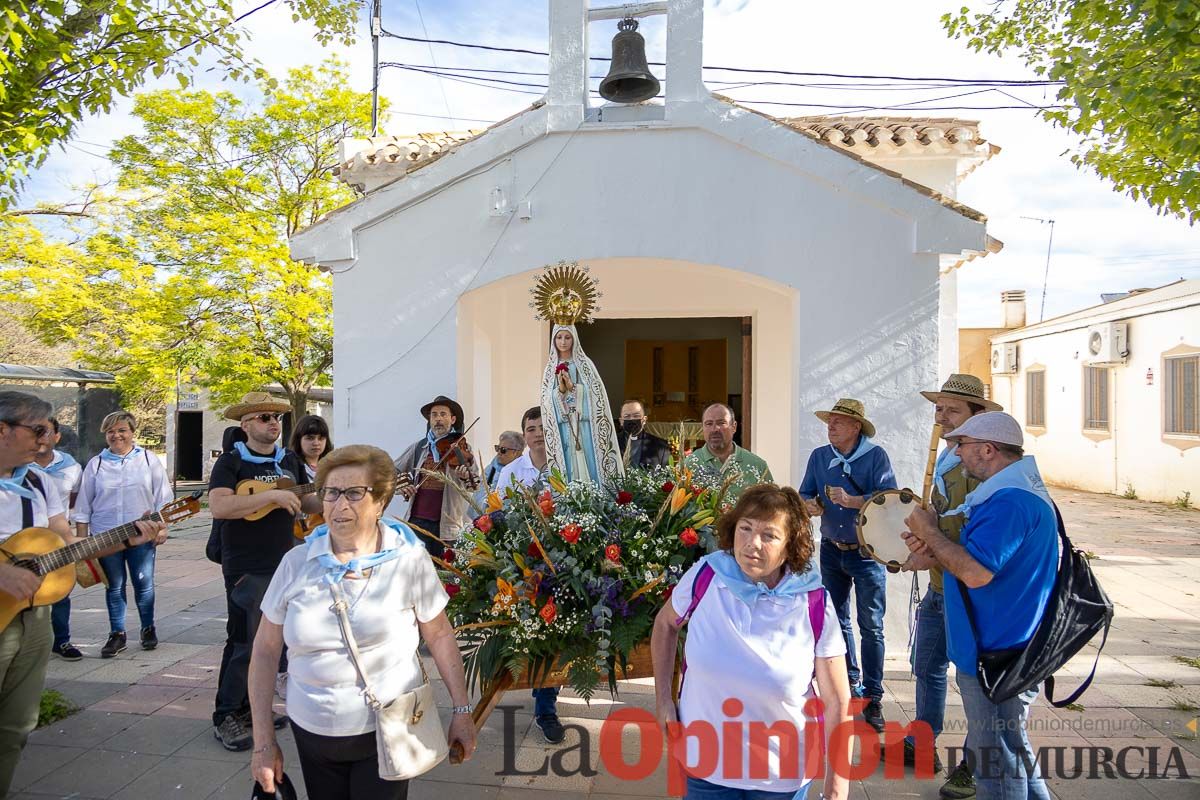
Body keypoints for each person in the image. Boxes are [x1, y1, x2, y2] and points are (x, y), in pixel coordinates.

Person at [248, 444, 476, 799]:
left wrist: (462, 710)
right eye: (331, 493)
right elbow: (264, 650)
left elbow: (441, 635)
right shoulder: (296, 563)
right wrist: (263, 741)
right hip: (312, 732)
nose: (340, 505)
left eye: (355, 493)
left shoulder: (409, 560)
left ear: (381, 502)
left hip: (387, 730)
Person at [0, 392, 165, 796]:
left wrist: (127, 538)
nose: (46, 439)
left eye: (48, 430)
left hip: (34, 617)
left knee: (16, 723)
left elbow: (66, 542)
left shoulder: (39, 481)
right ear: (2, 430)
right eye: (37, 429)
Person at [650, 484, 851, 800]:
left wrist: (837, 786)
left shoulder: (812, 602)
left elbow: (838, 701)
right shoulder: (707, 575)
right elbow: (665, 625)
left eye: (769, 535)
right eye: (745, 529)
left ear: (790, 545)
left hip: (780, 776)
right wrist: (663, 698)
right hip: (704, 765)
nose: (752, 543)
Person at [903, 412, 1057, 800]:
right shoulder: (1014, 492)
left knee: (996, 769)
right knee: (1013, 752)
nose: (956, 454)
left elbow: (977, 573)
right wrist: (933, 553)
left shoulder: (1009, 503)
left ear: (987, 450)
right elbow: (982, 562)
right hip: (1007, 646)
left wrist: (932, 535)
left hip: (997, 653)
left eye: (962, 446)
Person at [902, 375, 1000, 795]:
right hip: (940, 586)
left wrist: (932, 541)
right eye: (938, 409)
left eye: (952, 411)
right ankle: (921, 743)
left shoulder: (978, 468)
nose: (941, 418)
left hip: (968, 591)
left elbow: (972, 537)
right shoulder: (946, 458)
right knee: (927, 667)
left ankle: (973, 764)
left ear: (977, 418)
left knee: (974, 683)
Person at [208, 392, 321, 751]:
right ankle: (227, 714)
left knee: (274, 641)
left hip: (283, 561)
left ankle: (253, 709)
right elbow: (220, 505)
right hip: (245, 565)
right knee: (244, 640)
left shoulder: (289, 459)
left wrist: (339, 493)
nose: (273, 423)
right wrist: (271, 496)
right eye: (264, 417)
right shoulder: (231, 461)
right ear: (245, 425)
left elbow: (307, 500)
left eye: (277, 417)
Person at [797, 398, 895, 733]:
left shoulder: (875, 457)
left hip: (866, 552)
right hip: (831, 549)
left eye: (839, 422)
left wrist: (854, 502)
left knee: (872, 625)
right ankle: (850, 686)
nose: (831, 426)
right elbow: (804, 494)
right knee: (837, 622)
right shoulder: (820, 457)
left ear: (856, 427)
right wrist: (810, 505)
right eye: (830, 421)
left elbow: (888, 502)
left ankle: (875, 696)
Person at [74, 410, 173, 658]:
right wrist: (84, 542)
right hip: (106, 536)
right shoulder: (96, 464)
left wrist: (162, 527)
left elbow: (164, 497)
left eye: (122, 430)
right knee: (114, 586)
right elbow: (84, 506)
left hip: (141, 532)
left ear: (132, 432)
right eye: (111, 431)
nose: (116, 435)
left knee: (143, 583)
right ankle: (117, 634)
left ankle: (148, 628)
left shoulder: (148, 460)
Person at [491, 406, 565, 743]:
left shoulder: (565, 466)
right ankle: (540, 696)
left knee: (555, 626)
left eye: (541, 427)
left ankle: (546, 704)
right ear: (525, 435)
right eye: (530, 428)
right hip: (521, 561)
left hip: (560, 560)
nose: (536, 432)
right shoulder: (511, 471)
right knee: (531, 628)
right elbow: (499, 511)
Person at [393, 396, 480, 559]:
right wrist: (403, 485)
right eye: (434, 415)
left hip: (447, 527)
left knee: (446, 576)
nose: (438, 419)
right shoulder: (419, 447)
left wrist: (464, 477)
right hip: (417, 523)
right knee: (417, 573)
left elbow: (474, 485)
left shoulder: (462, 448)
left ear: (452, 419)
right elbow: (392, 470)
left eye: (443, 414)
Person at [540, 325, 623, 486]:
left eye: (567, 337)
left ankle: (594, 494)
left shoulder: (585, 364)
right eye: (559, 337)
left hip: (585, 426)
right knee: (568, 463)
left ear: (574, 339)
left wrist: (573, 387)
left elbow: (596, 396)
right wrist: (560, 391)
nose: (563, 342)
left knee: (589, 461)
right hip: (563, 427)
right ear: (553, 340)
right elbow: (546, 402)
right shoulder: (550, 369)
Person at [29, 418, 83, 661]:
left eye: (45, 432)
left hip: (57, 537)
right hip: (22, 543)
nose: (40, 437)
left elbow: (74, 500)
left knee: (60, 590)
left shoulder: (71, 467)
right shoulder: (20, 466)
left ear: (57, 437)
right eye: (34, 431)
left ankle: (61, 641)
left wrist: (72, 536)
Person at [684, 403, 772, 503]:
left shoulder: (757, 466)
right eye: (709, 423)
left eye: (721, 423)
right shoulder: (689, 465)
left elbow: (771, 508)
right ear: (702, 428)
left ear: (734, 427)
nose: (715, 429)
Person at [616, 399, 670, 469]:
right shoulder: (611, 443)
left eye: (636, 416)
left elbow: (666, 476)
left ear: (644, 420)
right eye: (627, 416)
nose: (632, 419)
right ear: (621, 421)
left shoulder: (660, 445)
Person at [477, 430, 523, 501]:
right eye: (497, 448)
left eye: (503, 450)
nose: (498, 453)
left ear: (516, 452)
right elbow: (478, 489)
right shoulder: (491, 468)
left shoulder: (523, 471)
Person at [289, 415, 333, 483]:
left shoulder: (332, 466)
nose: (316, 443)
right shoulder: (290, 467)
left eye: (321, 438)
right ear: (298, 439)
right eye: (310, 438)